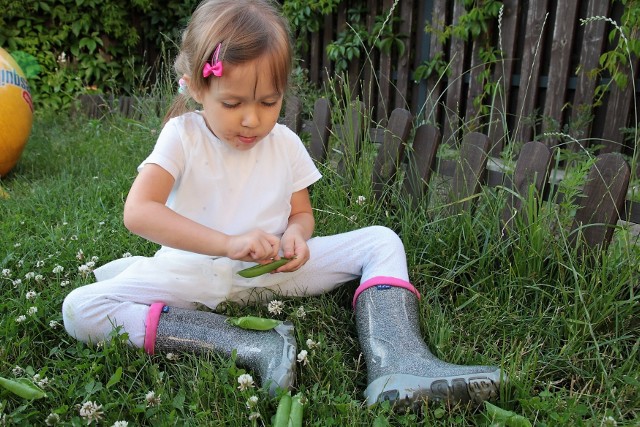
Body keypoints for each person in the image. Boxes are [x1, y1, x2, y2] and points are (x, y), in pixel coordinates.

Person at [62, 0, 503, 407]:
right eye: (232, 102)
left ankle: (400, 362)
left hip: (272, 274)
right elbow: (139, 212)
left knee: (381, 240)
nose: (252, 118)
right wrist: (226, 243)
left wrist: (296, 236)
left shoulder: (286, 143)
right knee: (81, 309)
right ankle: (250, 343)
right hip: (190, 277)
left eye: (268, 102)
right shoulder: (183, 136)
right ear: (197, 87)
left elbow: (301, 213)